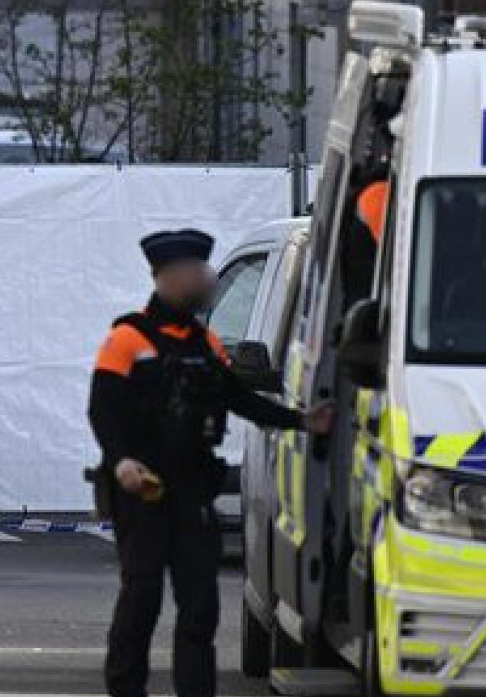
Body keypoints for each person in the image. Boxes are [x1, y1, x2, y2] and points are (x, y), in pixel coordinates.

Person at [89, 229, 333, 697]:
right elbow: (103, 409)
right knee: (141, 601)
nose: (207, 280)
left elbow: (240, 399)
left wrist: (303, 422)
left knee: (200, 607)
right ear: (172, 276)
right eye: (199, 272)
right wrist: (120, 461)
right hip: (142, 491)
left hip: (191, 491)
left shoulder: (204, 343)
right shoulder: (126, 339)